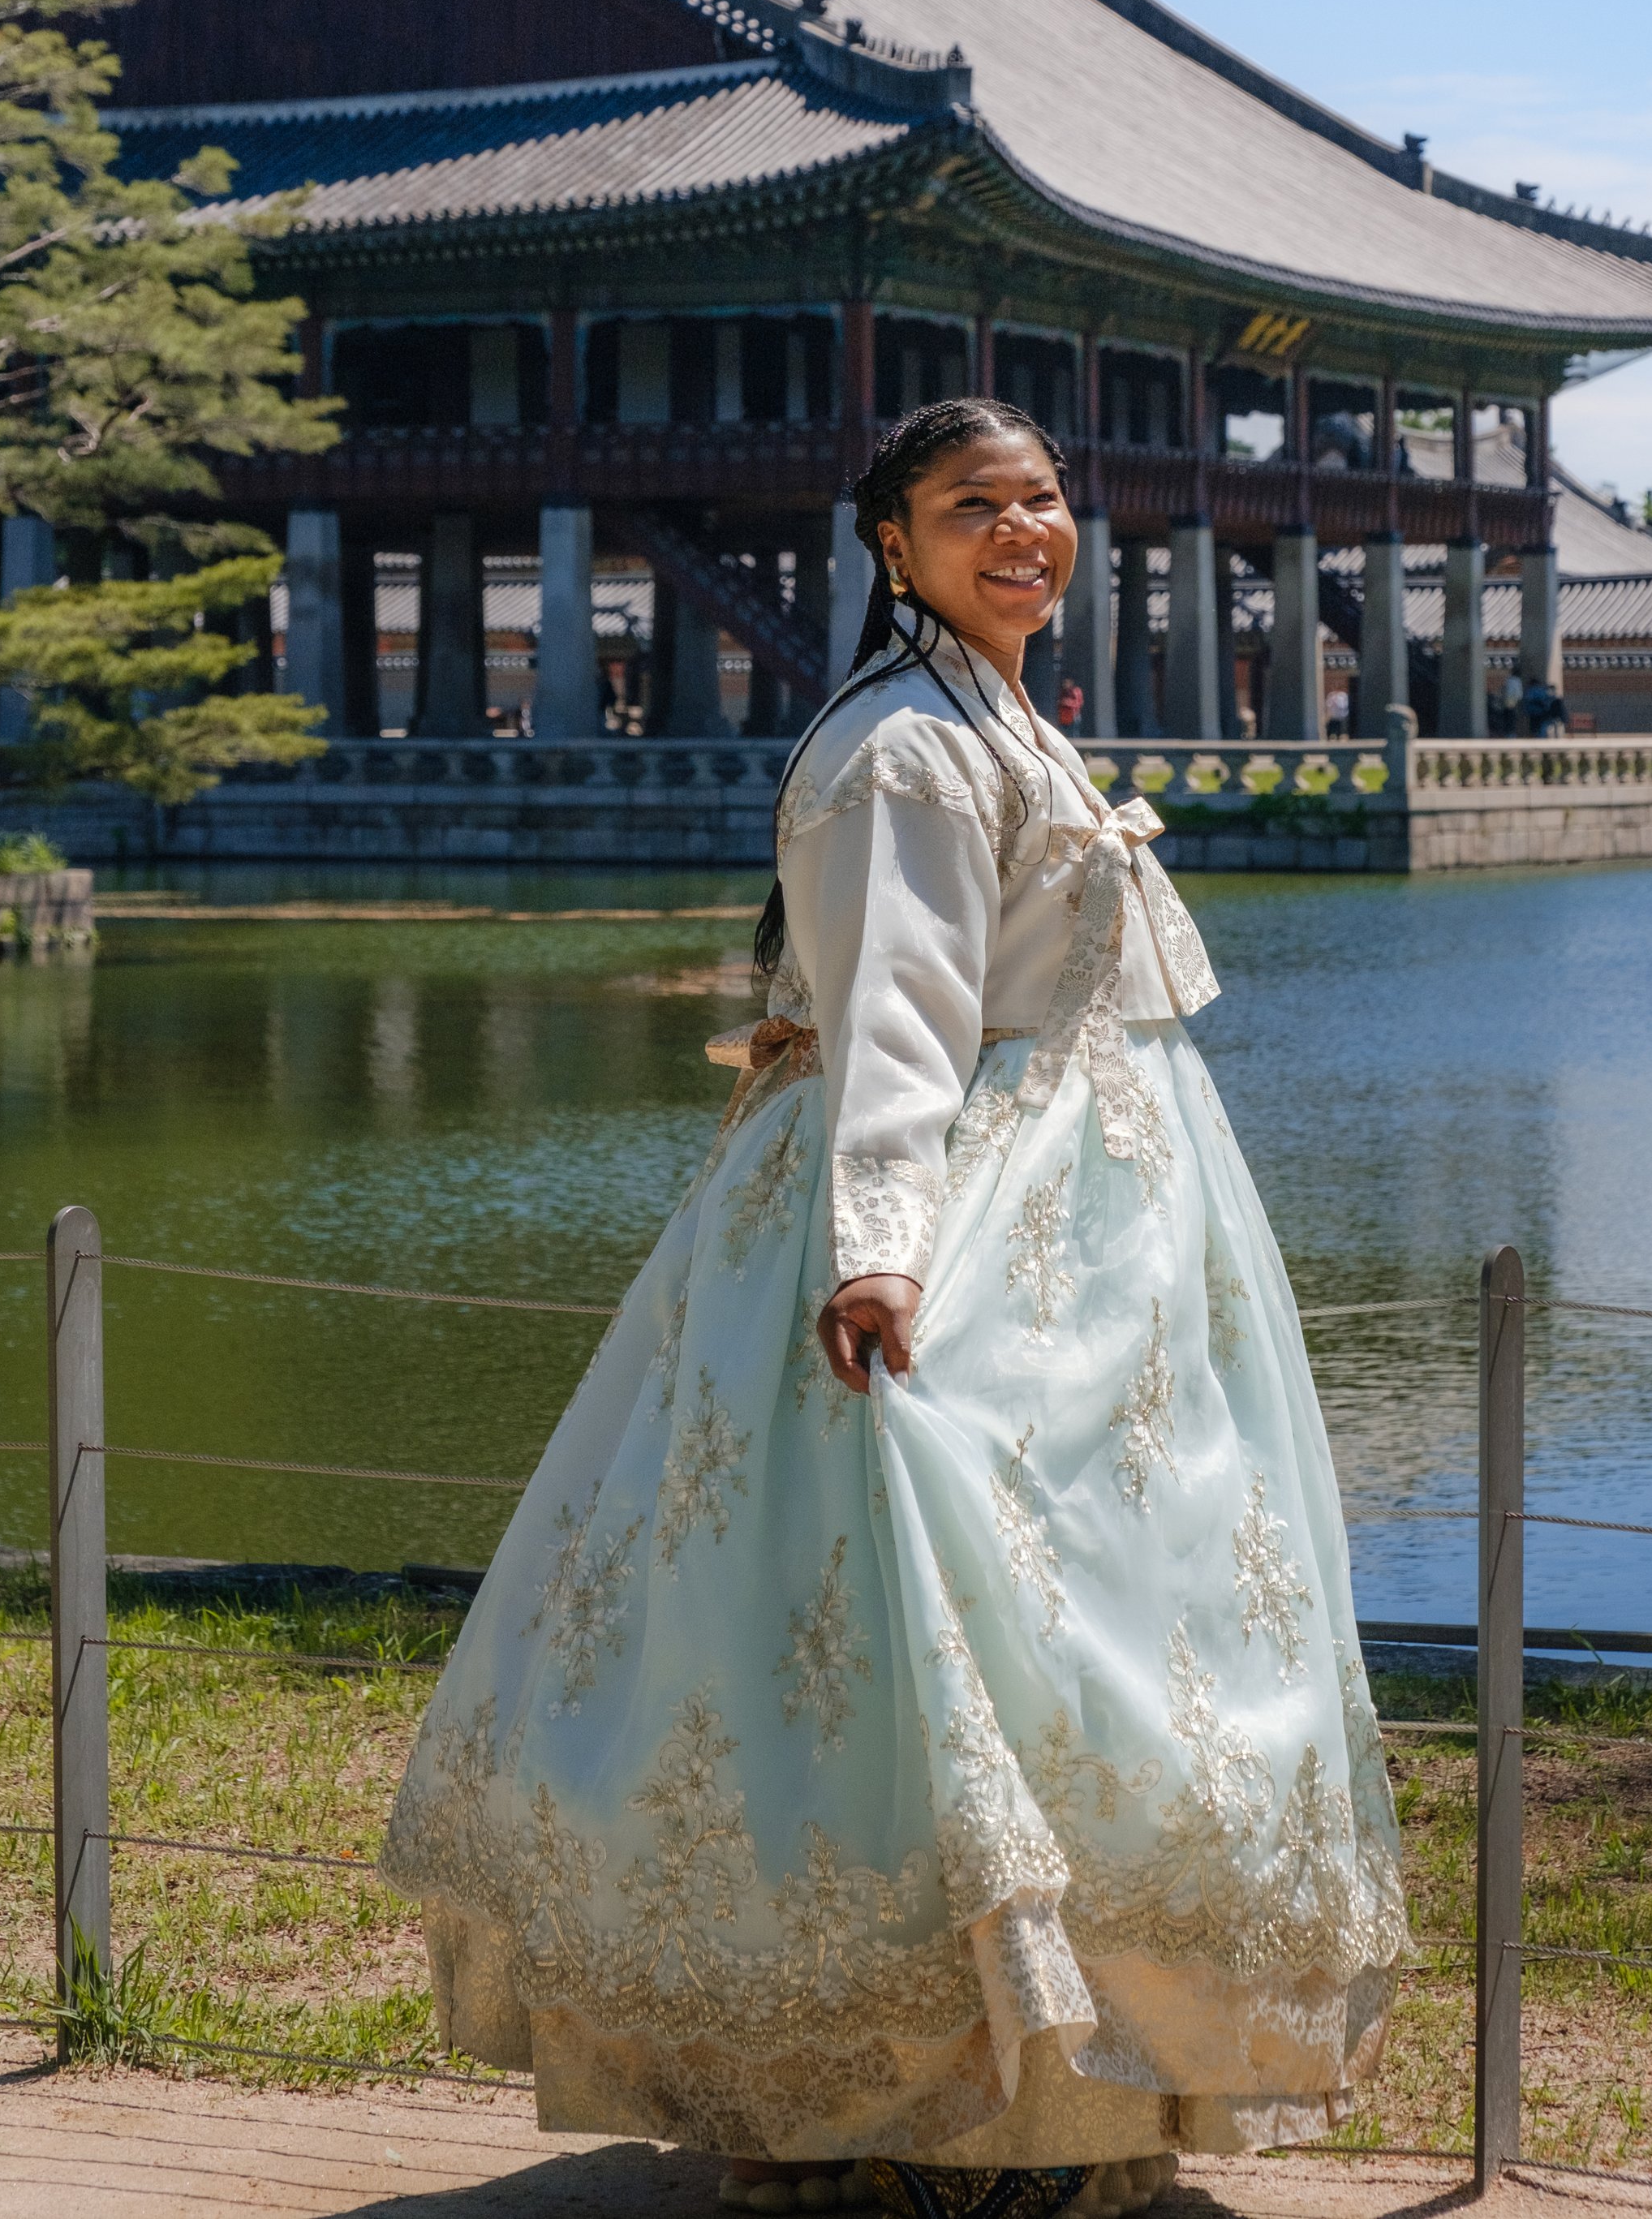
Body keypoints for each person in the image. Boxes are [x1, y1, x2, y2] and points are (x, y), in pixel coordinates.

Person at [383, 398, 1406, 2217]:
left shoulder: (999, 714)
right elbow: (896, 1032)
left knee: (1109, 1616)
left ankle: (1066, 2098)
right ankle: (898, 2092)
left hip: (1096, 1218)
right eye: (969, 508)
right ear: (890, 541)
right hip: (962, 1212)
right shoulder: (902, 750)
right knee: (922, 1634)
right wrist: (880, 1252)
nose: (1021, 533)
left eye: (1040, 501)